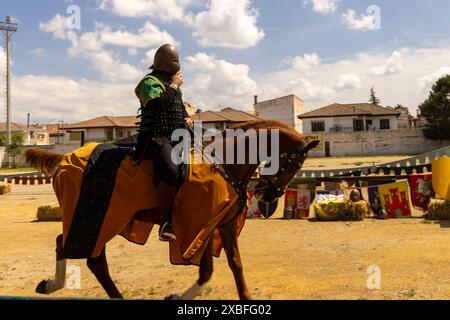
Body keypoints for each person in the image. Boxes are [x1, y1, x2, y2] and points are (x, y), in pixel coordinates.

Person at [134, 44, 193, 242]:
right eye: (175, 62)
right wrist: (174, 86)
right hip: (155, 137)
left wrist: (187, 118)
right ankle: (165, 222)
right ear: (167, 64)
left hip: (176, 135)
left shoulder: (172, 85)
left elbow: (178, 107)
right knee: (170, 168)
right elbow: (158, 107)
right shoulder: (149, 82)